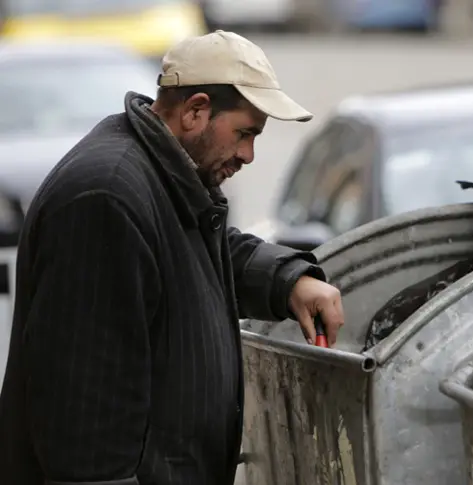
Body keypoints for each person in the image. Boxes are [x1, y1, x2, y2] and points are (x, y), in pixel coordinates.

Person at [0, 30, 345, 485]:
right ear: (195, 110)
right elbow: (84, 419)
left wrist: (287, 280)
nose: (249, 154)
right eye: (244, 133)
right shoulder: (107, 198)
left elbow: (198, 252)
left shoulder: (160, 173)